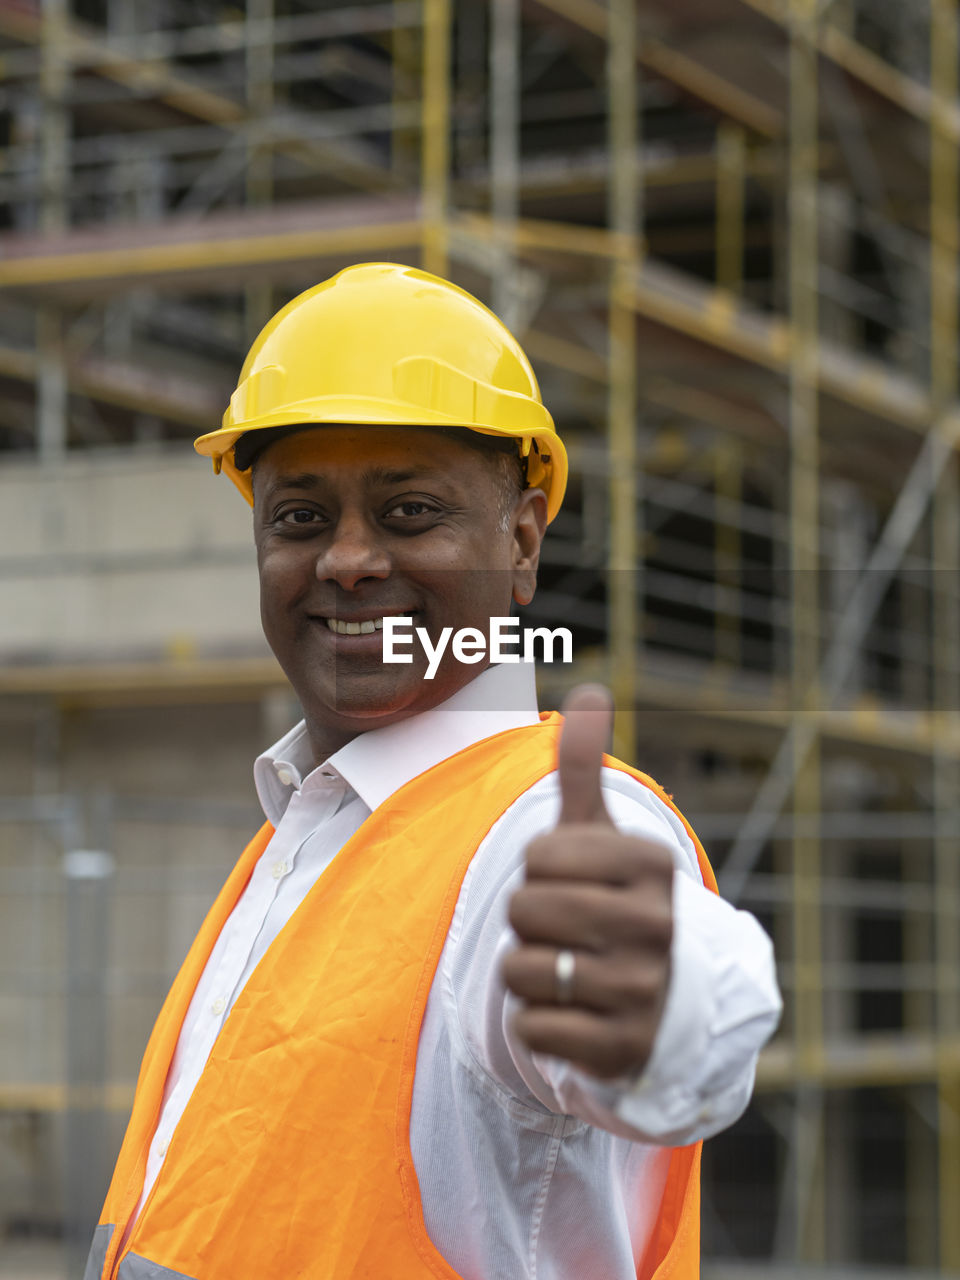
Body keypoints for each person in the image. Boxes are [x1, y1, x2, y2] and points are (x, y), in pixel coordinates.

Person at [85, 262, 781, 1280]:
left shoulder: (537, 827)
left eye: (410, 512)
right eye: (299, 518)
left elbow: (664, 997)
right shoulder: (302, 834)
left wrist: (666, 1008)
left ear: (523, 543)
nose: (349, 559)